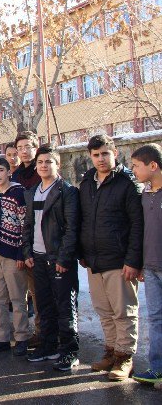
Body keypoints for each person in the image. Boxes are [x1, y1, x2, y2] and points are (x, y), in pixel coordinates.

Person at [79, 134, 143, 381]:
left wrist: (133, 260)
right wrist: (82, 253)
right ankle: (111, 351)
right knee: (104, 310)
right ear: (90, 157)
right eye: (96, 155)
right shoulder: (87, 183)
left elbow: (137, 225)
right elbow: (83, 220)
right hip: (94, 260)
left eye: (105, 153)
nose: (101, 159)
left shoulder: (127, 183)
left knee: (123, 311)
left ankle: (125, 357)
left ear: (114, 152)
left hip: (120, 261)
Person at [22, 144, 80, 371]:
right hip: (37, 259)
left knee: (65, 308)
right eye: (40, 162)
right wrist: (27, 252)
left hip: (58, 260)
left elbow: (71, 229)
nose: (44, 166)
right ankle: (49, 345)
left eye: (48, 162)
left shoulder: (67, 192)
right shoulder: (33, 191)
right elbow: (28, 225)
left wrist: (63, 259)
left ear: (58, 164)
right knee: (43, 307)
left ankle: (69, 351)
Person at [0, 158, 30, 356]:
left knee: (18, 298)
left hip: (13, 252)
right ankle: (1, 337)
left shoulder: (19, 192)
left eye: (0, 170)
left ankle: (21, 338)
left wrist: (21, 252)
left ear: (9, 171)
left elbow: (24, 224)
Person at [130, 143, 162, 384]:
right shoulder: (145, 194)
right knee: (155, 318)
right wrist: (140, 263)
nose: (134, 171)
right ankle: (157, 368)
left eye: (136, 166)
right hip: (151, 267)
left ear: (153, 165)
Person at [12, 131, 42, 346]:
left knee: (44, 292)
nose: (23, 151)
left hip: (42, 237)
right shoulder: (15, 176)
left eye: (27, 147)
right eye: (19, 148)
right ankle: (36, 333)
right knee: (31, 292)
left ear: (35, 146)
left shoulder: (40, 171)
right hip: (22, 239)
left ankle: (49, 333)